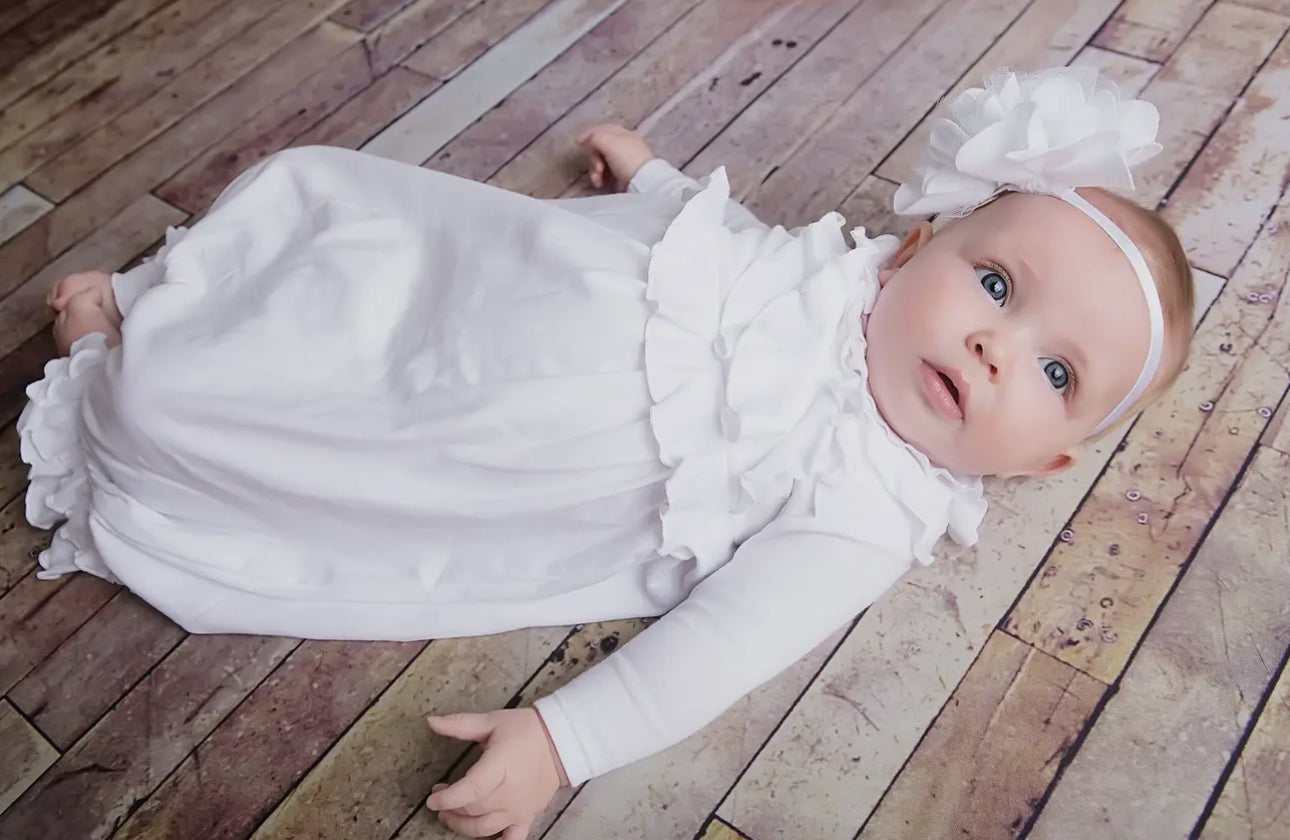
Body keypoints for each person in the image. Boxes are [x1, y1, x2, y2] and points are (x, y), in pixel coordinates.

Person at [20, 67, 1194, 839]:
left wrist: (563, 739)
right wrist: (654, 179)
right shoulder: (837, 277)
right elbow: (727, 237)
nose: (995, 345)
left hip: (483, 438)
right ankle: (212, 311)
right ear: (911, 252)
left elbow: (723, 644)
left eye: (1054, 374)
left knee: (233, 420)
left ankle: (109, 360)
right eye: (994, 284)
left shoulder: (867, 504)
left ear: (1043, 464)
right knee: (352, 250)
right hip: (504, 283)